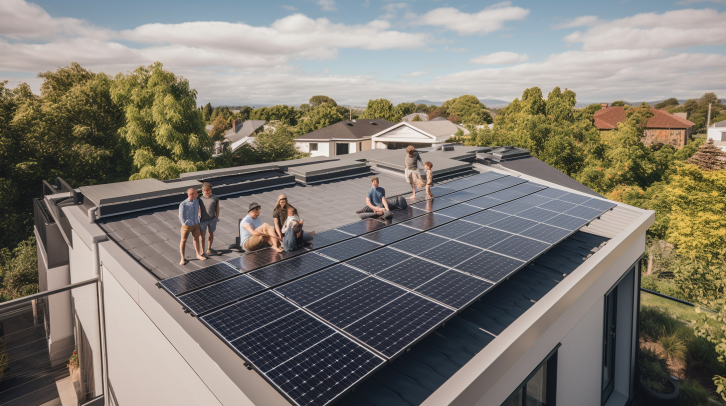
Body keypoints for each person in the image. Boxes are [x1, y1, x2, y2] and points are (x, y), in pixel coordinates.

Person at [178, 188, 207, 265]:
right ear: (191, 194)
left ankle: (198, 254)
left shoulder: (197, 201)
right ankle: (182, 258)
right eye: (194, 193)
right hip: (186, 226)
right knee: (183, 241)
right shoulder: (183, 204)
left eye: (196, 193)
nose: (196, 194)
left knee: (196, 239)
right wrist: (185, 223)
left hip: (196, 225)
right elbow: (181, 216)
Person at [199, 182, 220, 256]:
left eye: (209, 190)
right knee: (202, 236)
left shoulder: (215, 198)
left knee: (211, 234)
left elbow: (217, 208)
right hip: (203, 221)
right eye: (206, 190)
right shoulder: (200, 199)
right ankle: (202, 250)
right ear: (202, 190)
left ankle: (209, 248)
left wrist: (216, 217)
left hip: (212, 219)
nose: (208, 191)